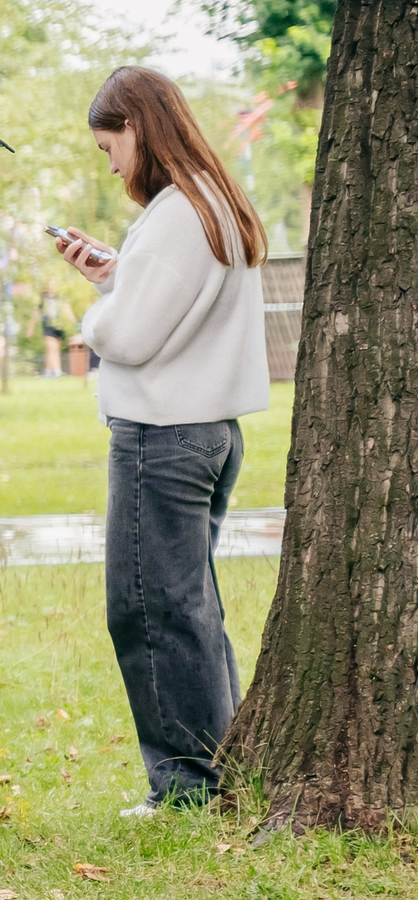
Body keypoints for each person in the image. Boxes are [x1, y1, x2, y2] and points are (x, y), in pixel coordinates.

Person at [53, 66, 269, 814]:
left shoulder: (181, 211)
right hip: (203, 429)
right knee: (186, 606)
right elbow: (170, 309)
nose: (110, 164)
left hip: (165, 437)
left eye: (110, 146)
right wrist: (119, 275)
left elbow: (134, 335)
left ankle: (186, 785)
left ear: (139, 128)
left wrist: (93, 319)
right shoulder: (212, 202)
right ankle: (217, 766)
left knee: (148, 608)